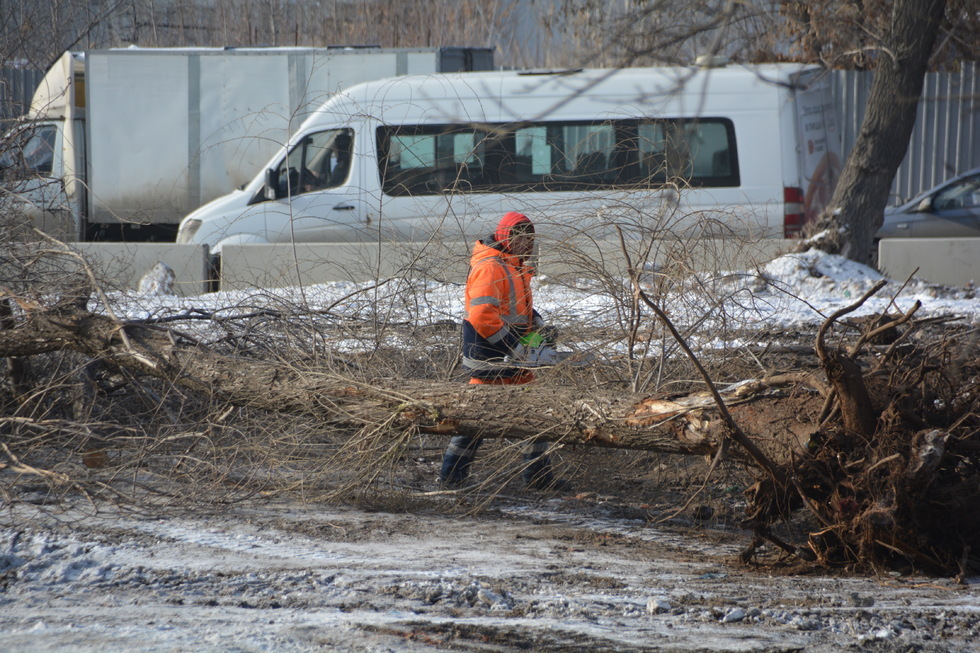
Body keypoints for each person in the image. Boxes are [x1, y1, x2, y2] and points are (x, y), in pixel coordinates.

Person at [439, 212, 570, 491]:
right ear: (507, 237)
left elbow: (513, 306)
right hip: (489, 357)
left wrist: (536, 322)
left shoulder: (514, 266)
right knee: (475, 421)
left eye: (530, 237)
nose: (528, 243)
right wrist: (515, 346)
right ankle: (451, 478)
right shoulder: (491, 267)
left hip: (513, 359)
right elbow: (483, 315)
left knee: (533, 416)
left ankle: (538, 478)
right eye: (521, 237)